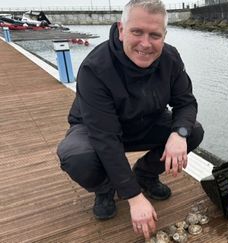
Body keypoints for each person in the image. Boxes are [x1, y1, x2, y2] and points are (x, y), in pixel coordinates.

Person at [56, 0, 204, 240]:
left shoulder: (170, 58)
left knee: (193, 131)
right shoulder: (95, 68)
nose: (146, 44)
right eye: (137, 32)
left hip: (146, 121)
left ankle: (145, 174)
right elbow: (105, 138)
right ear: (122, 29)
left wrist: (180, 134)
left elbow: (186, 103)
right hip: (98, 129)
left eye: (154, 35)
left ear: (164, 36)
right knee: (76, 156)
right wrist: (134, 198)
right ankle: (105, 189)